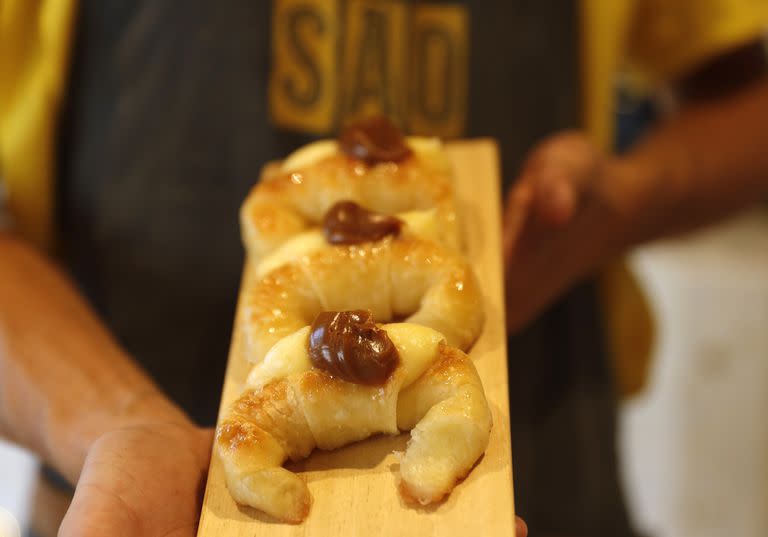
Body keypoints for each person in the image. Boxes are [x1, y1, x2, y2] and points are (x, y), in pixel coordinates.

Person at [0, 2, 767, 536]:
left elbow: (747, 103)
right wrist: (117, 421)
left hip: (543, 459)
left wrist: (628, 201)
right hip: (142, 493)